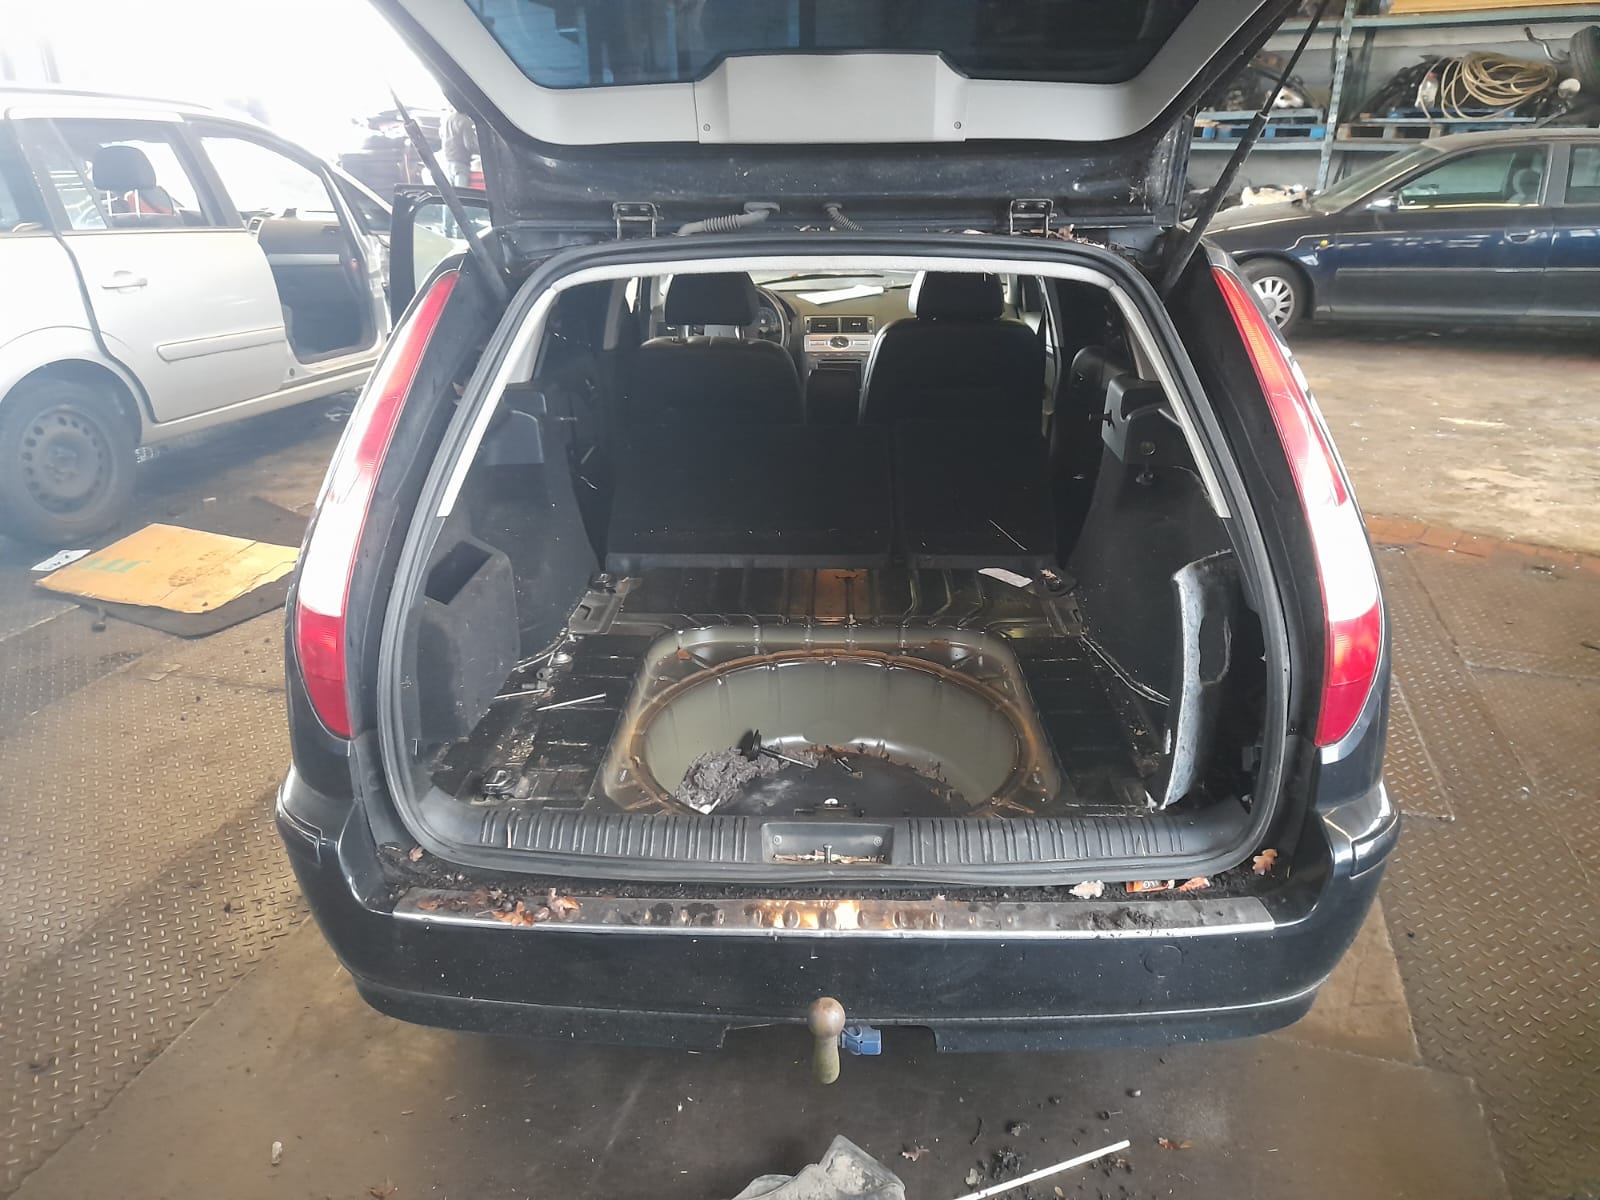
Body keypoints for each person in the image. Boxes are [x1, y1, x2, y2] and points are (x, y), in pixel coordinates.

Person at [442, 108, 478, 189]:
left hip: (449, 161)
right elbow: (469, 145)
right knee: (462, 192)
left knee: (453, 192)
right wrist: (482, 152)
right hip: (461, 163)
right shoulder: (466, 121)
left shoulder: (449, 118)